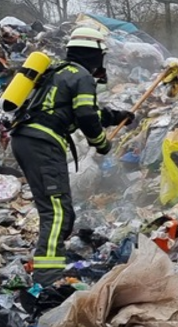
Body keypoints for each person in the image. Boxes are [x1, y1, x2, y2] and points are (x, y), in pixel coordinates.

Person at [10, 27, 135, 286]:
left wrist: (117, 116)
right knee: (57, 213)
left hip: (27, 140)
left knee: (57, 210)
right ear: (94, 55)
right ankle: (46, 281)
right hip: (42, 144)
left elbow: (80, 111)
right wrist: (100, 144)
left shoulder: (59, 72)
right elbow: (87, 117)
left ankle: (47, 268)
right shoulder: (83, 76)